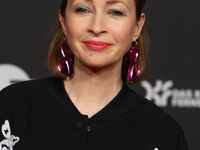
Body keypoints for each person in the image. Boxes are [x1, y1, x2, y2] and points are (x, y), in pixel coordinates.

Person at [0, 0, 189, 149]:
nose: (97, 27)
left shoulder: (164, 135)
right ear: (64, 21)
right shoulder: (12, 106)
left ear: (137, 27)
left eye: (115, 12)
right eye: (83, 9)